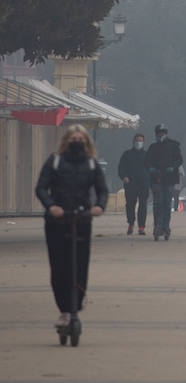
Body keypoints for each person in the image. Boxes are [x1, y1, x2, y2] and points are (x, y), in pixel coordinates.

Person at [35, 124, 108, 329]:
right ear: (66, 141)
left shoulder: (92, 164)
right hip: (57, 221)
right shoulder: (55, 161)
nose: (77, 143)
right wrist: (51, 206)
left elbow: (102, 189)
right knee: (59, 267)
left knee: (80, 265)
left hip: (82, 219)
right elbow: (41, 188)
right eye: (74, 139)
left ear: (87, 142)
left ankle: (76, 304)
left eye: (81, 139)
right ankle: (65, 310)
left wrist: (99, 206)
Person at [145, 124, 183, 241]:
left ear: (166, 133)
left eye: (163, 132)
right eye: (159, 132)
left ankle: (166, 226)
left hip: (169, 178)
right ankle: (158, 226)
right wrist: (151, 168)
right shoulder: (153, 147)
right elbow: (147, 161)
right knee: (158, 203)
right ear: (156, 134)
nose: (161, 134)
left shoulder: (174, 146)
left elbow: (179, 160)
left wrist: (173, 167)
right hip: (156, 178)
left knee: (167, 203)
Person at [117, 131, 149, 235]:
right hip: (130, 184)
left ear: (144, 142)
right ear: (133, 142)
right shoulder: (127, 154)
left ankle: (141, 227)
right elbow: (121, 168)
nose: (138, 142)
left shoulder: (147, 155)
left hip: (144, 184)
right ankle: (130, 224)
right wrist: (124, 177)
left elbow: (152, 169)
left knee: (143, 206)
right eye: (137, 140)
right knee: (130, 205)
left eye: (141, 141)